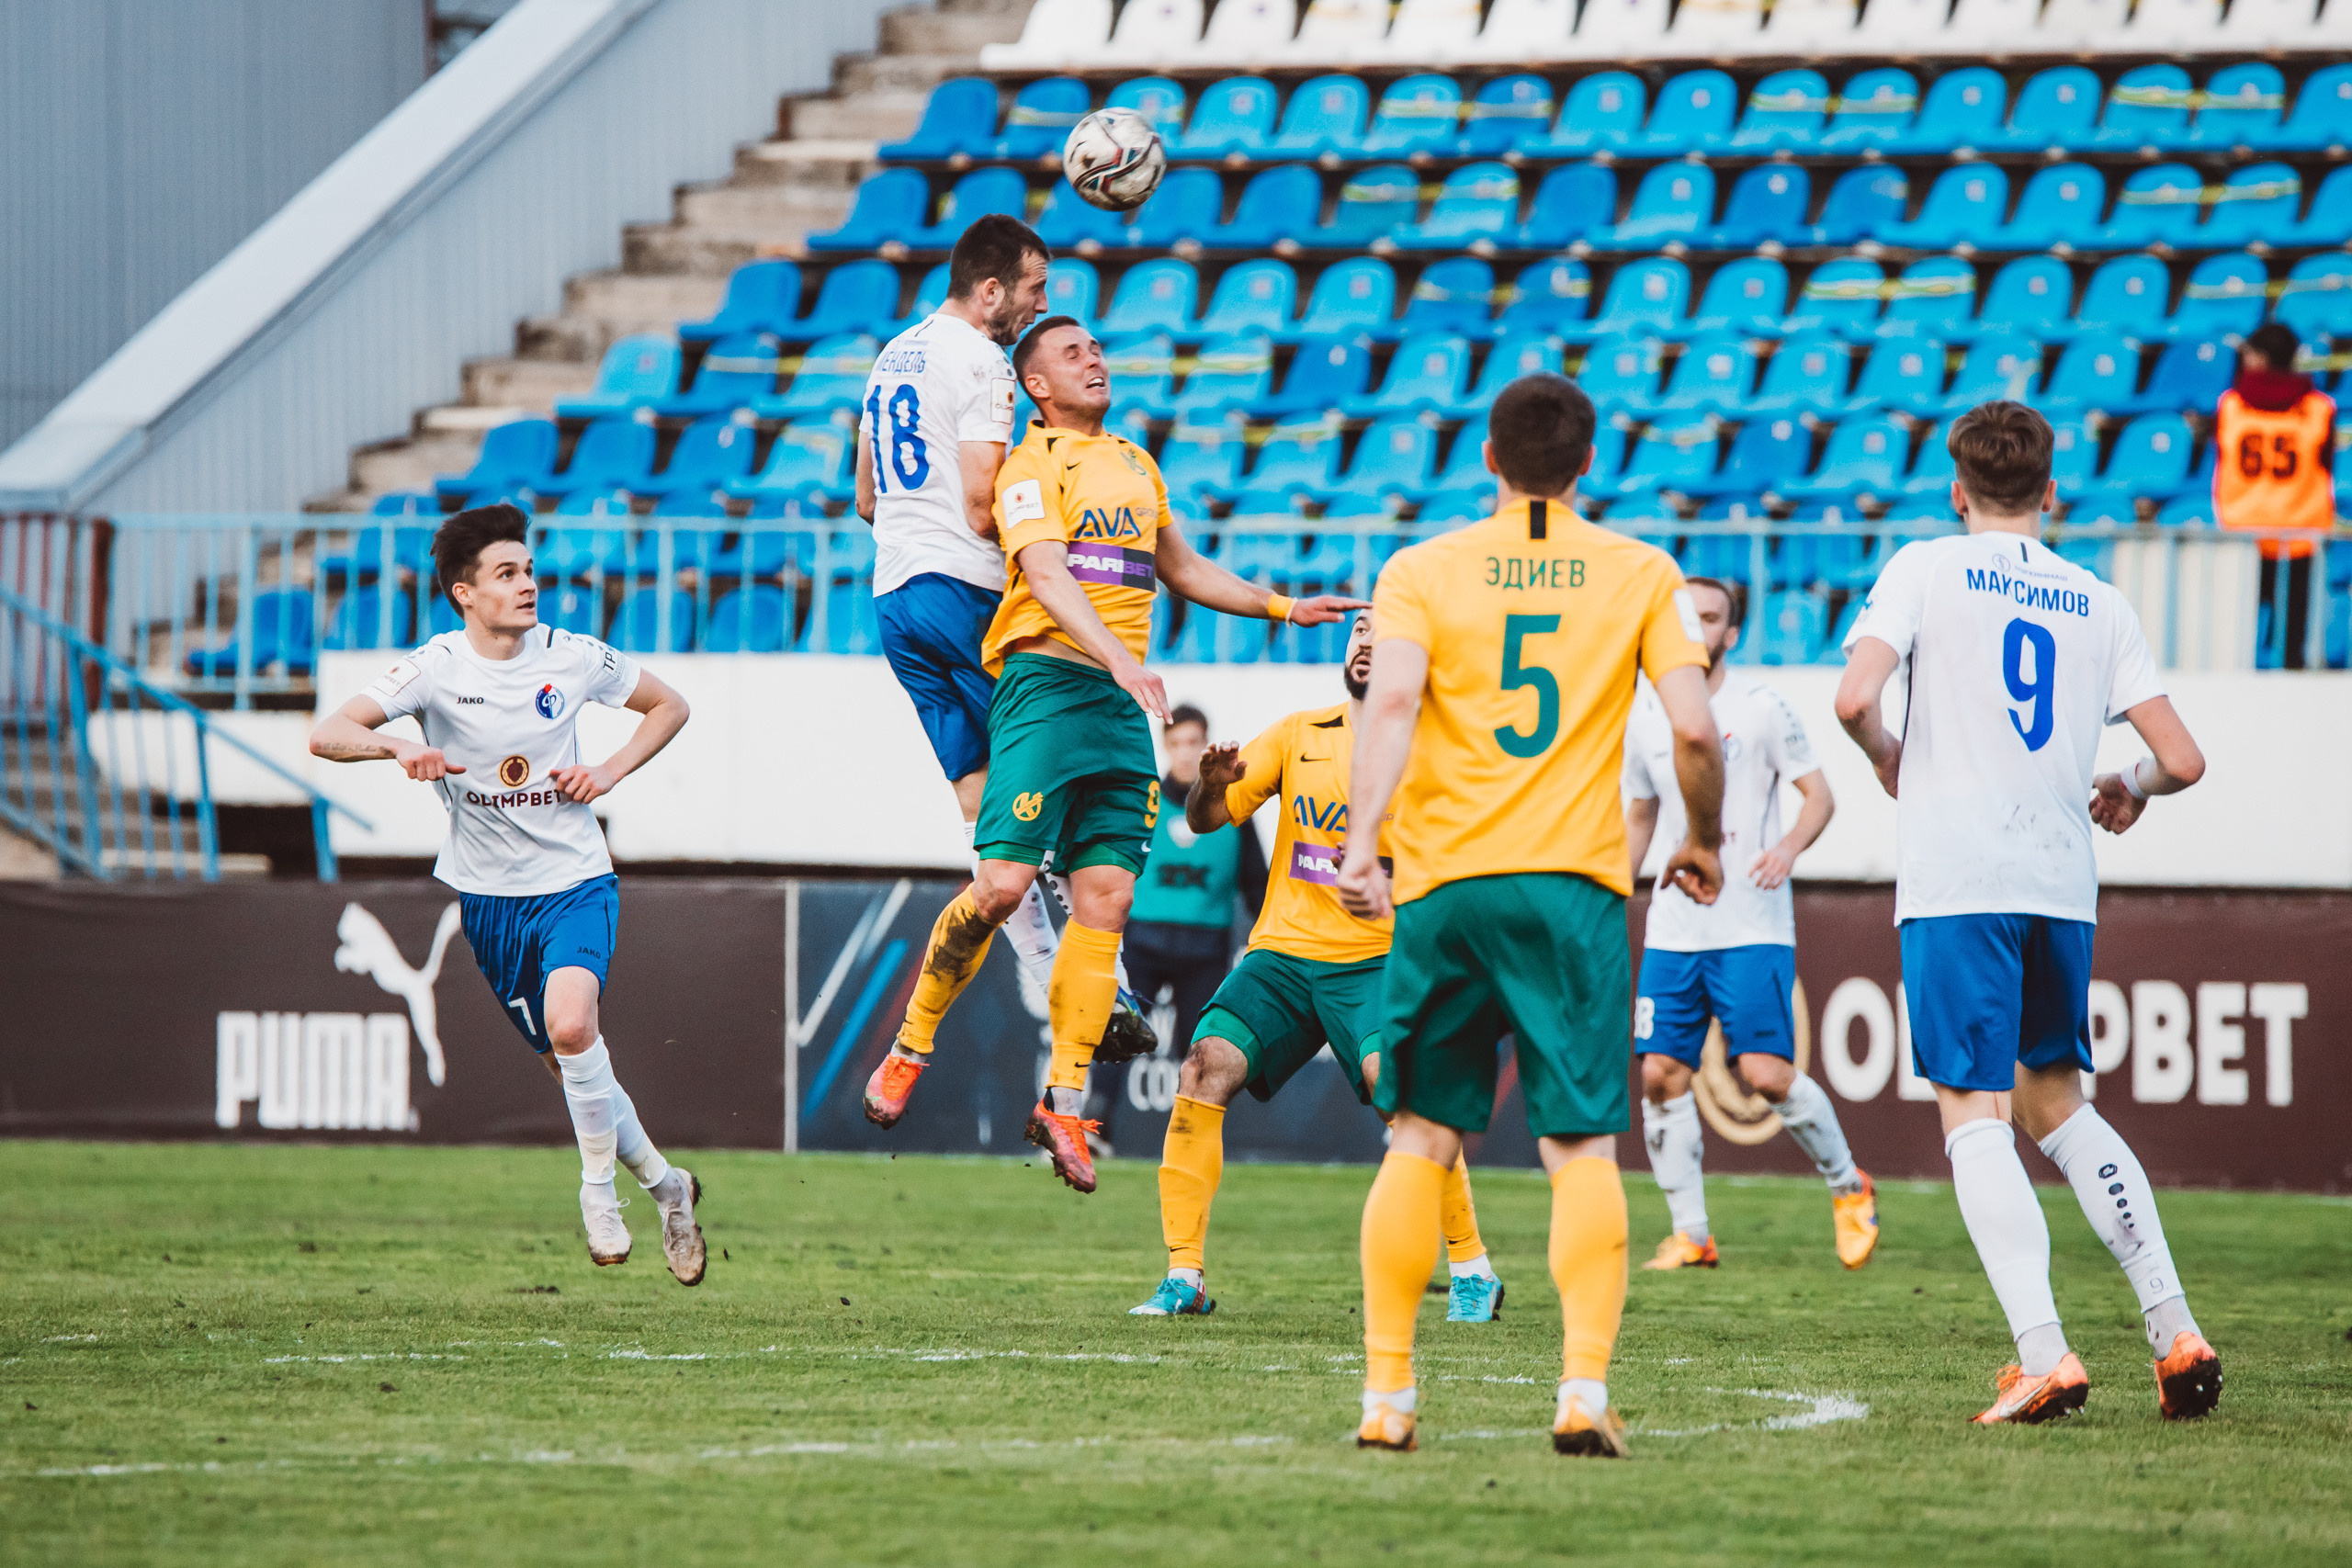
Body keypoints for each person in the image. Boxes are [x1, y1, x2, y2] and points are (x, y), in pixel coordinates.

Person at [864, 315, 1366, 1193]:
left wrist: (1284, 608)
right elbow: (1050, 576)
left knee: (1107, 901)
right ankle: (910, 1045)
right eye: (1071, 353)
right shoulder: (1029, 467)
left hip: (1115, 706)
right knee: (1003, 887)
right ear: (1036, 388)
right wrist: (1122, 657)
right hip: (1048, 691)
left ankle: (1063, 1101)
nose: (1093, 358)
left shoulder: (1137, 463)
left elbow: (1183, 567)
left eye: (1097, 347)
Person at [1336, 373, 1727, 1457]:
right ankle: (1583, 1392)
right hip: (1572, 886)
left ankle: (1386, 1398)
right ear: (1586, 463)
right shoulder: (1641, 570)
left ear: (1489, 461)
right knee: (1580, 1146)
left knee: (1418, 1136)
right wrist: (1700, 840)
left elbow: (1395, 705)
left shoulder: (1421, 568)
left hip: (1446, 883)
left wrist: (1362, 843)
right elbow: (1694, 734)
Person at [1835, 400, 2220, 1425]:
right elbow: (2181, 759)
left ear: (1957, 490)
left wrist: (1886, 758)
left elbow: (1851, 697)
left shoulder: (1925, 565)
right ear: (2051, 491)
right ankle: (2174, 1328)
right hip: (2057, 883)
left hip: (1959, 880)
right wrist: (2127, 782)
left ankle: (2043, 1354)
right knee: (2057, 1103)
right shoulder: (2097, 599)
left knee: (1973, 1112)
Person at [308, 502, 705, 1282]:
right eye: (507, 573)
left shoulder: (572, 656)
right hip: (488, 903)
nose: (529, 584)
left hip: (575, 882)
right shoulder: (435, 668)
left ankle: (598, 1192)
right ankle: (668, 1186)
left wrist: (609, 770)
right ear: (465, 592)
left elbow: (671, 705)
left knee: (571, 1021)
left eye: (528, 569)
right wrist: (397, 747)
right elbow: (327, 732)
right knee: (576, 1066)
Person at [854, 214, 1152, 1103]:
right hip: (967, 593)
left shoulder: (892, 355)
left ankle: (1036, 974)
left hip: (896, 596)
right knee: (1048, 774)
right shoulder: (984, 364)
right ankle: (1106, 985)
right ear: (991, 291)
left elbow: (867, 495)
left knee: (984, 812)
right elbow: (987, 505)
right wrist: (1033, 523)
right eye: (1034, 291)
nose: (1039, 306)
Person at [1133, 615, 1503, 1323]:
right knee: (1204, 1064)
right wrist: (1209, 787)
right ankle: (1185, 1276)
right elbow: (1208, 819)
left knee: (1397, 1090)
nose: (1365, 640)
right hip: (1283, 952)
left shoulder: (1443, 748)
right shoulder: (1300, 733)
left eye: (1383, 632)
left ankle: (1472, 1269)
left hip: (1379, 957)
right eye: (1358, 629)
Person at [1623, 576, 1876, 1273]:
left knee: (1764, 1072)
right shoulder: (1644, 714)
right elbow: (1640, 815)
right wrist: (1613, 884)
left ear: (1731, 633)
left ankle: (1850, 1186)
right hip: (1674, 927)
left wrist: (1788, 848)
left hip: (1750, 923)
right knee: (1660, 1073)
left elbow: (1818, 797)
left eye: (1710, 618)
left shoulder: (1761, 708)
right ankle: (1691, 1233)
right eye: (1686, 617)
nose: (1696, 628)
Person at [1121, 705, 1268, 1073]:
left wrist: (1269, 942)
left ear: (1206, 745)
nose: (1185, 751)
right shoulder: (1141, 804)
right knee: (1118, 1038)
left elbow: (1255, 882)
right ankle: (1096, 1123)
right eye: (1176, 742)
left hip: (1205, 949)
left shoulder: (1233, 805)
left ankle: (1189, 1130)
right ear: (1165, 746)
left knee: (1199, 1058)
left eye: (1193, 741)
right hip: (1143, 943)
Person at [2211, 321, 2336, 669]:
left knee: (2234, 640)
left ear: (2261, 359)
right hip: (2298, 534)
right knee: (2293, 642)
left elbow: (2220, 458)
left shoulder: (2230, 405)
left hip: (2242, 535)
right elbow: (2326, 466)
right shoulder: (2320, 408)